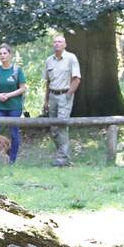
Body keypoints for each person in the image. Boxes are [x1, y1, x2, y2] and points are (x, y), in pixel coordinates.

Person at [0, 43, 26, 164]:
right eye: (0, 54)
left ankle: (12, 160)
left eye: (5, 53)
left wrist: (8, 95)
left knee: (14, 134)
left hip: (14, 106)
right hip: (0, 107)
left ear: (10, 55)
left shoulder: (17, 70)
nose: (2, 56)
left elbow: (23, 88)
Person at [42, 34, 81, 167]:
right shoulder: (49, 61)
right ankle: (63, 156)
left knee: (62, 126)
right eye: (55, 42)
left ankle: (61, 159)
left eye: (60, 42)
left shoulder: (71, 58)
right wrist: (46, 101)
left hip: (65, 95)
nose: (57, 44)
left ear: (65, 45)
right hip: (52, 95)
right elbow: (48, 82)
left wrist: (69, 94)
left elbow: (76, 79)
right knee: (53, 129)